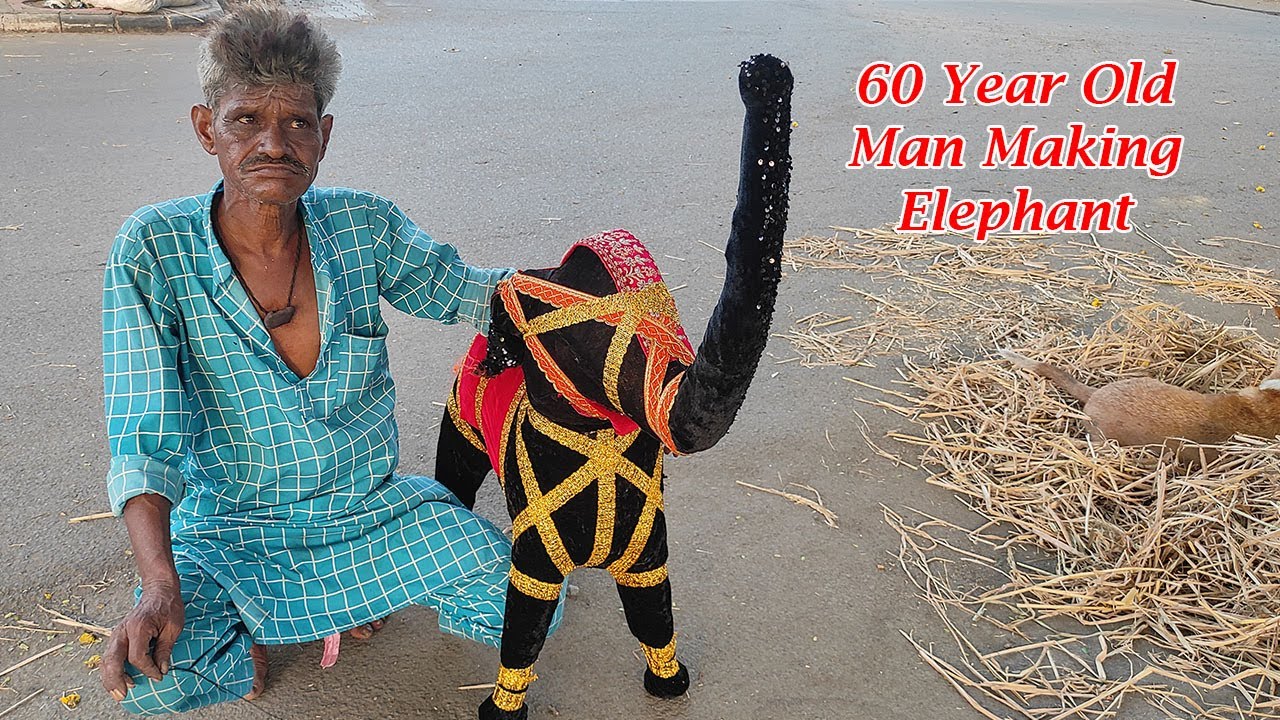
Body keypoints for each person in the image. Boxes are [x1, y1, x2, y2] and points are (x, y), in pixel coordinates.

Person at [99, 6, 558, 714]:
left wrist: (587, 296)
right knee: (159, 680)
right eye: (247, 119)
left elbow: (474, 294)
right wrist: (159, 584)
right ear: (205, 129)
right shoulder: (153, 249)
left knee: (528, 611)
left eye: (298, 123)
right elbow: (143, 438)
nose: (274, 144)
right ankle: (273, 618)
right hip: (231, 531)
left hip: (369, 515)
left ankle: (339, 598)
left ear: (325, 137)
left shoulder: (363, 226)